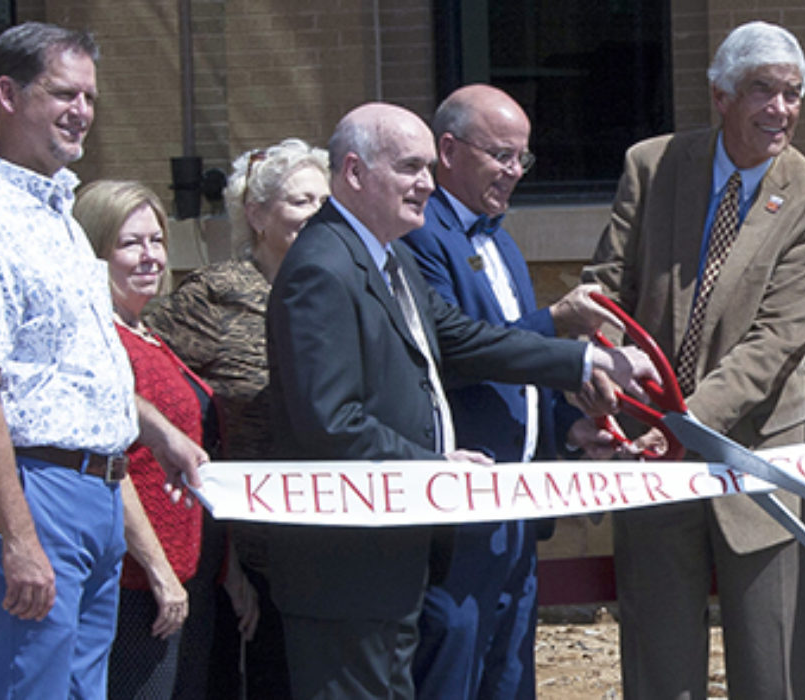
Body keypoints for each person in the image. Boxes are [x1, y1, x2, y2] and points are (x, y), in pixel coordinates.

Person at [263, 102, 650, 699]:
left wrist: (586, 360)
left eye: (425, 167)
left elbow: (463, 338)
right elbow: (331, 422)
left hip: (394, 561)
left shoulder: (384, 254)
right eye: (410, 167)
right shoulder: (323, 267)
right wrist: (433, 465)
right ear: (354, 172)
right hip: (347, 571)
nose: (425, 183)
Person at [0, 23, 208, 698]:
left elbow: (68, 371)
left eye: (90, 96)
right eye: (63, 93)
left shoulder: (59, 217)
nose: (81, 110)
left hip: (98, 492)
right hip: (31, 488)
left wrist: (156, 429)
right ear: (8, 94)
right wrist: (17, 536)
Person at [580, 21, 805, 699]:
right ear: (720, 95)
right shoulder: (652, 164)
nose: (780, 109)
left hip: (756, 462)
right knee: (659, 666)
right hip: (649, 460)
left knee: (772, 672)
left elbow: (775, 343)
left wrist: (681, 422)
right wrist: (598, 390)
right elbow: (606, 291)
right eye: (763, 89)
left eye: (793, 93)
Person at [400, 84, 617, 700]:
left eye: (523, 158)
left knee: (512, 677)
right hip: (460, 510)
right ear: (448, 149)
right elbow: (456, 353)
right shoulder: (421, 235)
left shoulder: (501, 242)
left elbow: (516, 378)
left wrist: (567, 431)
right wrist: (558, 325)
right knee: (454, 673)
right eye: (501, 155)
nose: (515, 172)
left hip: (519, 509)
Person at [143, 137, 327, 698]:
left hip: (329, 537)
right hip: (247, 552)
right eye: (301, 202)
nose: (317, 215)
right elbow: (132, 361)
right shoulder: (218, 294)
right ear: (256, 214)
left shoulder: (337, 288)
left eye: (325, 201)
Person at [77, 180, 260, 699]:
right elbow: (116, 467)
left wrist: (227, 569)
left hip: (192, 575)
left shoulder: (149, 335)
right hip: (138, 584)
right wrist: (157, 570)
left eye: (156, 241)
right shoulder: (98, 343)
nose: (150, 256)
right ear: (93, 251)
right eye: (130, 243)